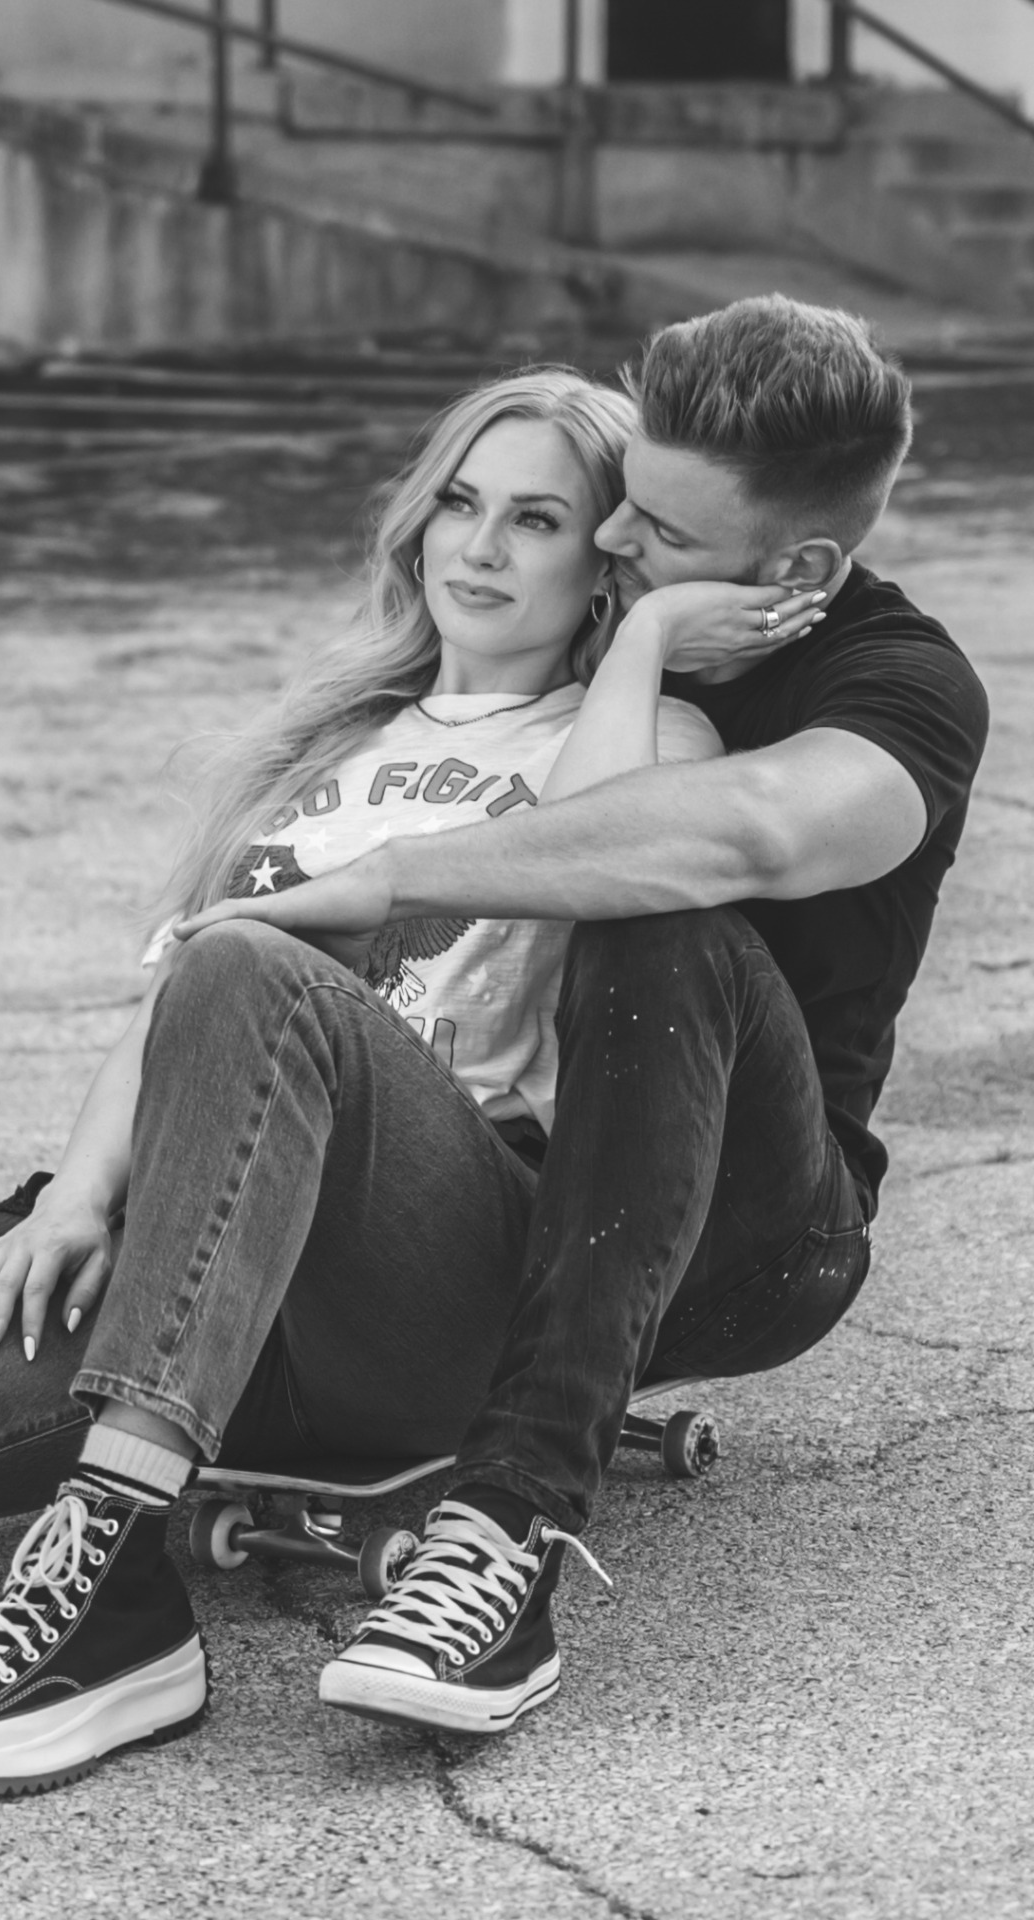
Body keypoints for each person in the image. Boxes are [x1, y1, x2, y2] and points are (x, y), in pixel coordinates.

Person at [0, 367, 817, 1793]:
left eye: (538, 519)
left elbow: (583, 865)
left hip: (426, 1261)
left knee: (257, 964)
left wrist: (647, 644)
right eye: (459, 502)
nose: (479, 546)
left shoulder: (648, 741)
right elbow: (175, 1002)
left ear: (605, 554)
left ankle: (113, 1590)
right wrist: (75, 1201)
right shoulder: (326, 753)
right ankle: (101, 1549)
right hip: (203, 1248)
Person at [163, 296, 989, 1738]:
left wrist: (389, 879)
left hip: (755, 1235)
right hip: (510, 1189)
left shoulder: (900, 686)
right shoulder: (598, 639)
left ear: (796, 568)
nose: (610, 539)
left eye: (656, 532)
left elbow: (737, 832)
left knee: (662, 908)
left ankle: (506, 1533)